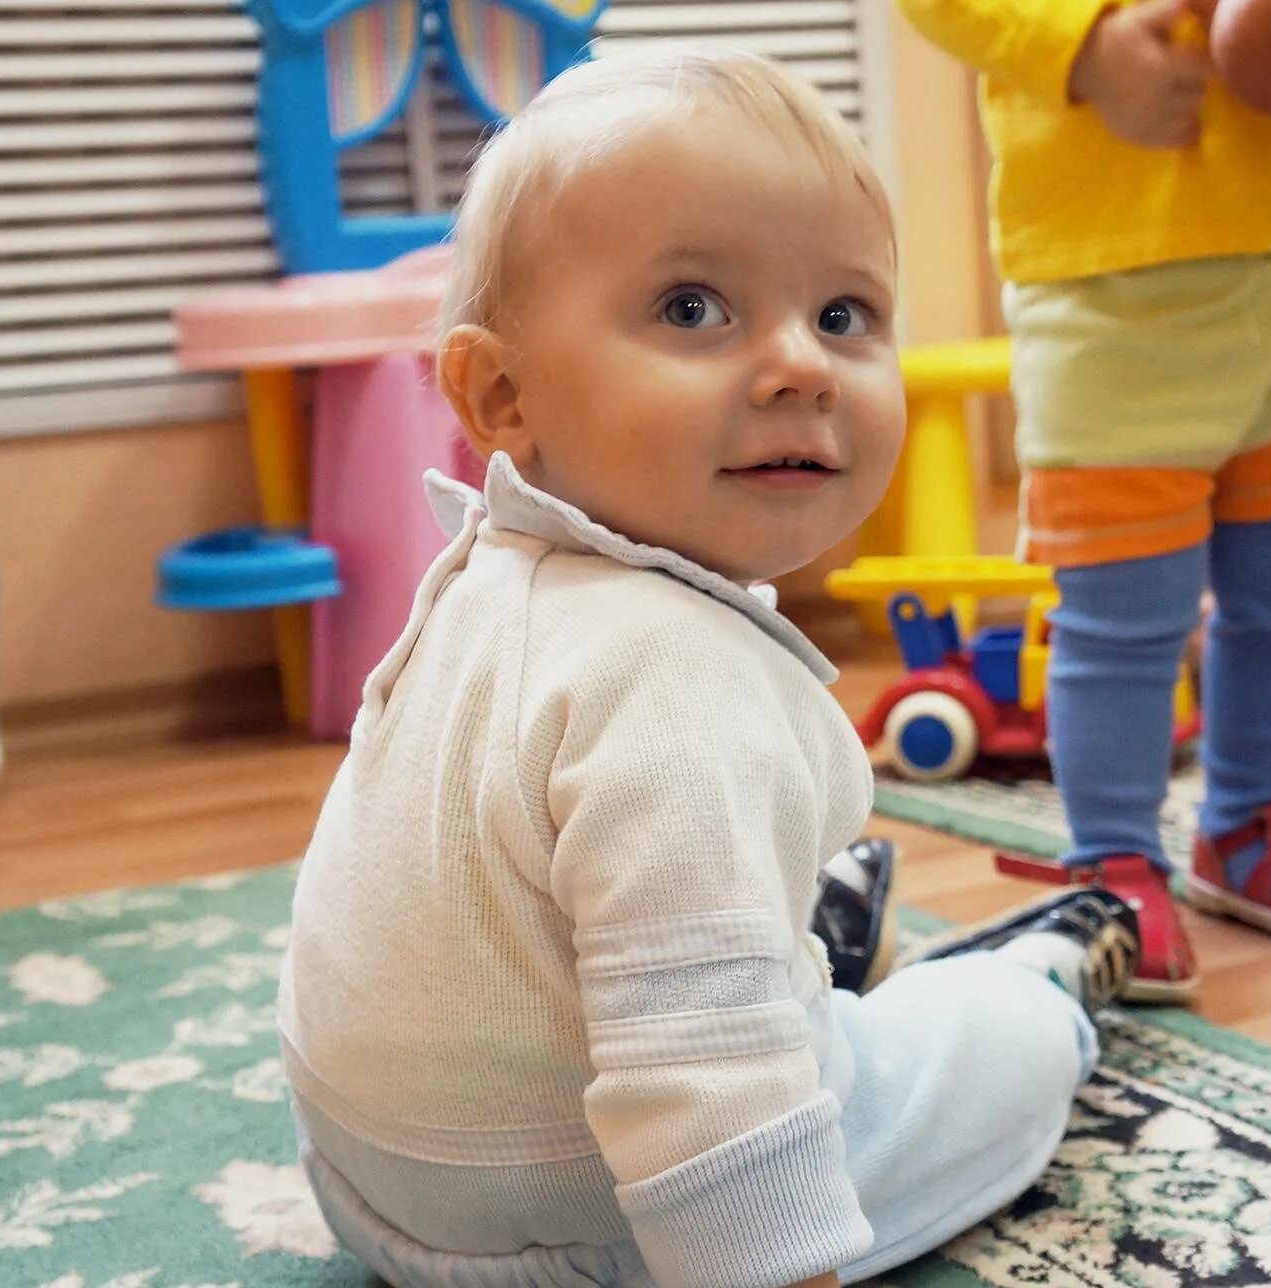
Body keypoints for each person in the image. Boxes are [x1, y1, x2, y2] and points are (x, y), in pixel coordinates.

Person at [277, 48, 1141, 1288]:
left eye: (845, 315)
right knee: (993, 1045)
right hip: (593, 1233)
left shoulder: (489, 575)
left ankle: (797, 926)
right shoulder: (674, 679)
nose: (798, 363)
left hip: (369, 1188)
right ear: (501, 391)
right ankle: (1050, 965)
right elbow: (705, 1075)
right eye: (693, 308)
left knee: (702, 914)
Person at [898, 0, 1271, 995]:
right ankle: (1112, 860)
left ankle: (1253, 822)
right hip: (1112, 266)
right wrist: (1077, 46)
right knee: (1125, 611)